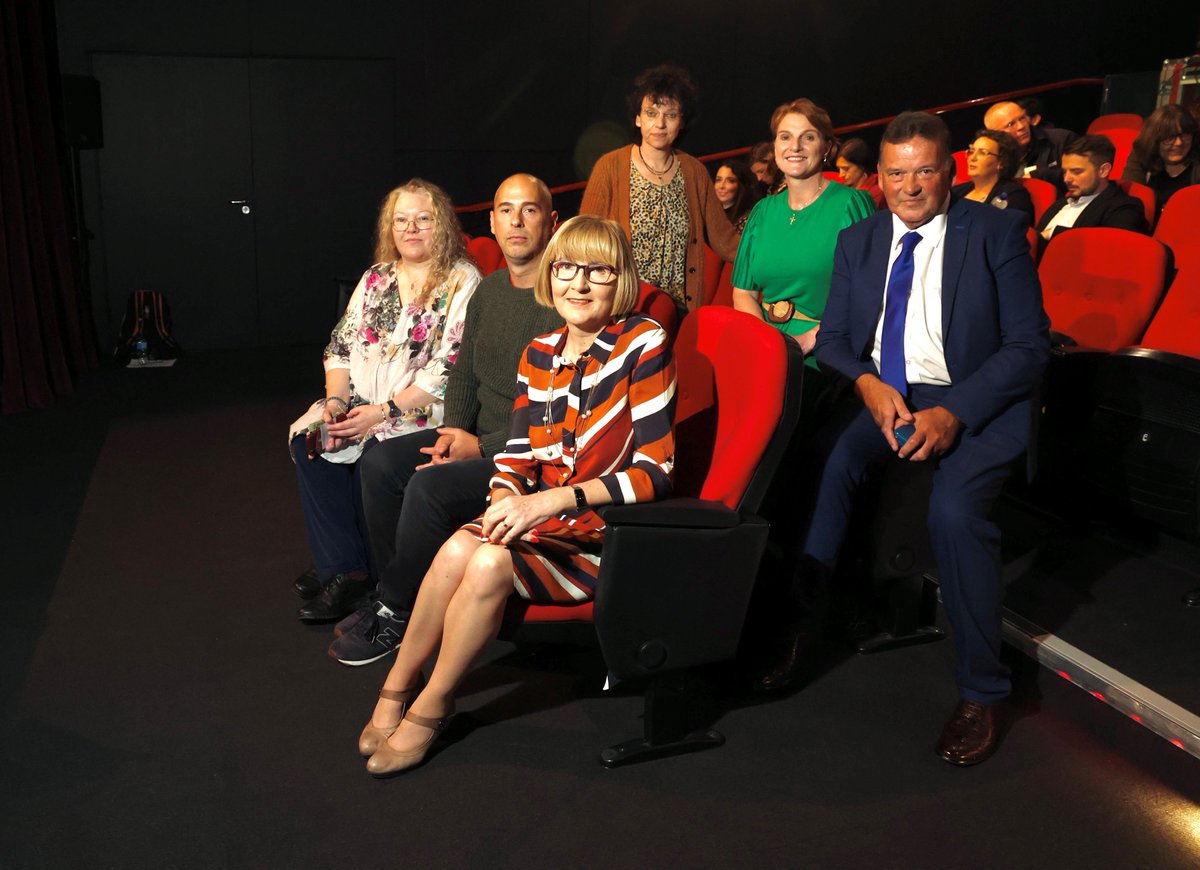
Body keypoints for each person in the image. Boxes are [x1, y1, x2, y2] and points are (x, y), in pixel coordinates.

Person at [357, 216, 676, 777]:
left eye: (598, 270)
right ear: (551, 277)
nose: (579, 283)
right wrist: (507, 496)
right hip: (542, 525)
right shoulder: (540, 351)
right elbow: (517, 457)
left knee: (483, 563)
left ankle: (433, 704)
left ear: (620, 278)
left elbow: (657, 473)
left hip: (607, 536)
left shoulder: (644, 343)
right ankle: (396, 687)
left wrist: (548, 503)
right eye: (567, 268)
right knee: (458, 548)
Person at [778, 111, 1050, 765]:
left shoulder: (997, 231)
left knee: (954, 514)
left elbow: (1028, 346)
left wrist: (953, 413)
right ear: (880, 177)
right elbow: (839, 341)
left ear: (948, 171)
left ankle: (983, 690)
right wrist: (868, 387)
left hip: (978, 398)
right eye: (897, 173)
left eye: (924, 170)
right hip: (891, 394)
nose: (910, 186)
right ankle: (799, 629)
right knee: (824, 463)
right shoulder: (863, 240)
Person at [329, 174, 564, 665]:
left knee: (428, 488)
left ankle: (395, 611)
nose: (516, 221)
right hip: (477, 436)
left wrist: (479, 446)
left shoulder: (561, 300)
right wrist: (454, 431)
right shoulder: (493, 290)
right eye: (505, 210)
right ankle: (398, 591)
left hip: (526, 454)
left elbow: (553, 414)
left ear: (552, 222)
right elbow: (461, 372)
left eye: (530, 211)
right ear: (493, 224)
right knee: (381, 464)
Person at [288, 180, 480, 622]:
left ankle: (357, 573)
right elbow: (339, 347)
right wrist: (335, 403)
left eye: (423, 219)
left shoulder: (462, 280)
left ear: (443, 225)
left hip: (419, 409)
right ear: (389, 228)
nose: (411, 228)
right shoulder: (377, 277)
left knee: (376, 450)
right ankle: (346, 569)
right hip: (361, 402)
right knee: (313, 441)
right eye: (401, 220)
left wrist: (380, 413)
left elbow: (449, 369)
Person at [580, 64, 739, 316]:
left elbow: (726, 241)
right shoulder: (610, 167)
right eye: (651, 113)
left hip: (677, 312)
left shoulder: (694, 172)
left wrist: (776, 256)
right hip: (621, 307)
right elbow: (584, 240)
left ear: (682, 122)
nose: (660, 123)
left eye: (671, 115)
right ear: (638, 118)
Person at [731, 98, 875, 375]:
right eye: (785, 137)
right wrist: (769, 343)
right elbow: (744, 292)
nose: (794, 147)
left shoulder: (853, 203)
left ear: (826, 148)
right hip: (766, 346)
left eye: (807, 137)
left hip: (826, 349)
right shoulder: (762, 211)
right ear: (775, 147)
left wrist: (808, 340)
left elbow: (868, 293)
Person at [1038, 134, 1149, 242]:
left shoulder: (1124, 207)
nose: (1066, 179)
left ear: (1103, 171)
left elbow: (1111, 245)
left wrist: (1053, 233)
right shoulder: (1060, 203)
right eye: (1064, 172)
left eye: (1076, 172)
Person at [1121, 104, 1200, 221]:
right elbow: (1129, 204)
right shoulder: (1141, 155)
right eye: (1170, 137)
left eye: (1185, 135)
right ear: (1154, 139)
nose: (1179, 143)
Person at [984, 100, 1078, 192]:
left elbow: (1081, 177)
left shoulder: (1062, 140)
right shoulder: (991, 156)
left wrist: (1040, 176)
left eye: (1022, 118)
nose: (1021, 126)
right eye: (1011, 124)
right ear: (995, 134)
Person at [950, 129, 1035, 226]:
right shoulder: (957, 191)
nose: (973, 158)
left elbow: (1004, 231)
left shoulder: (1012, 195)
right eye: (971, 151)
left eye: (982, 153)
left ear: (1001, 162)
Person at [712, 158, 762, 233]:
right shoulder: (712, 216)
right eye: (718, 180)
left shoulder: (750, 219)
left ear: (741, 186)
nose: (721, 186)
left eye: (730, 181)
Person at [836, 137, 884, 209]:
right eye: (839, 169)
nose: (840, 175)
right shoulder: (842, 190)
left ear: (861, 167)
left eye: (846, 169)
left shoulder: (876, 193)